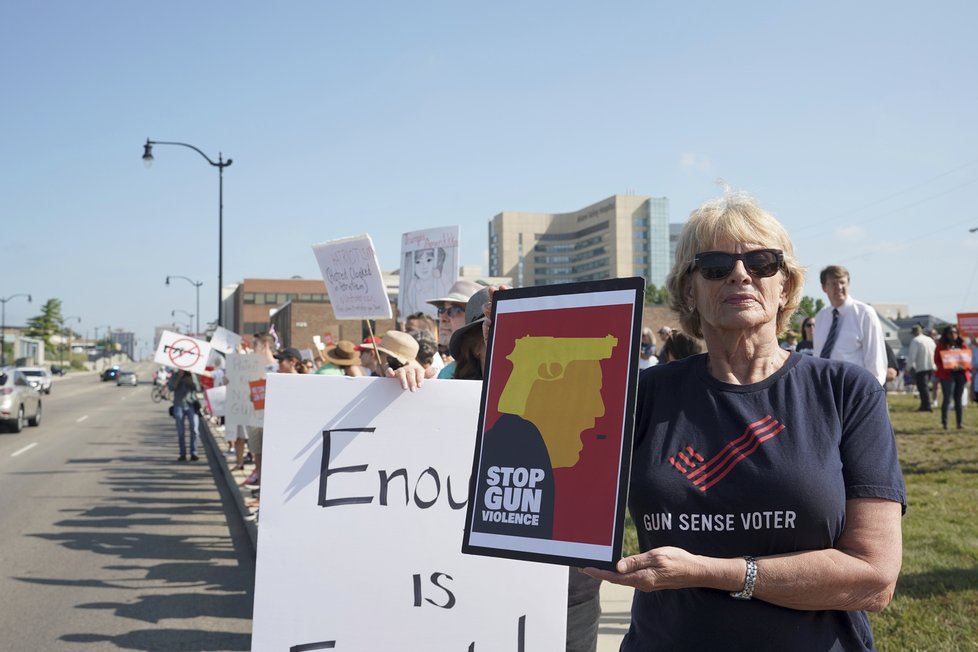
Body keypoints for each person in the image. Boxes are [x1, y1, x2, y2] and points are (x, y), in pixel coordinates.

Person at [583, 192, 905, 651]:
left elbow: (873, 578)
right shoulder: (641, 395)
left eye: (762, 262)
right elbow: (537, 465)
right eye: (715, 265)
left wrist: (716, 572)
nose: (740, 273)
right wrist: (509, 340)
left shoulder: (845, 392)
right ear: (689, 290)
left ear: (787, 287)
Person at [391, 285, 606, 652]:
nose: (510, 339)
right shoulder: (447, 400)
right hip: (472, 586)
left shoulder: (574, 401)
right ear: (476, 345)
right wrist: (396, 389)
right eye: (498, 331)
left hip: (567, 592)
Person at [813, 265, 888, 385]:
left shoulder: (865, 314)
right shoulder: (820, 317)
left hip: (853, 389)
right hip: (824, 388)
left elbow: (875, 360)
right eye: (833, 283)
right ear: (824, 287)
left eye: (843, 282)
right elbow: (817, 356)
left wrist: (872, 393)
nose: (839, 287)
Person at [934, 324, 970, 430]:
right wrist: (949, 367)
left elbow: (968, 359)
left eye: (955, 332)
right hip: (947, 375)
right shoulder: (941, 345)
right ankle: (945, 423)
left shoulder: (962, 344)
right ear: (946, 334)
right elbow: (937, 361)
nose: (953, 334)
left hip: (961, 374)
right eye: (951, 332)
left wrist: (962, 366)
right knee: (947, 398)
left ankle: (960, 423)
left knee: (958, 399)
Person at [168, 369, 201, 462]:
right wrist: (179, 378)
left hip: (191, 404)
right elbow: (171, 388)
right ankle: (182, 454)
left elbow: (198, 388)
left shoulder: (192, 375)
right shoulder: (175, 375)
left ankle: (194, 453)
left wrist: (191, 381)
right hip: (179, 404)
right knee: (180, 431)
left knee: (194, 429)